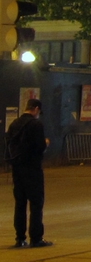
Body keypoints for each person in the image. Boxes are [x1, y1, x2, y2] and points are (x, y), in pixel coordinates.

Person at [6, 99, 52, 248]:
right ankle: (36, 238)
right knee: (36, 203)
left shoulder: (14, 124)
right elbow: (39, 147)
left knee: (20, 204)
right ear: (36, 109)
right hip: (32, 169)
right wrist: (46, 143)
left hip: (17, 169)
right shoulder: (36, 124)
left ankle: (20, 238)